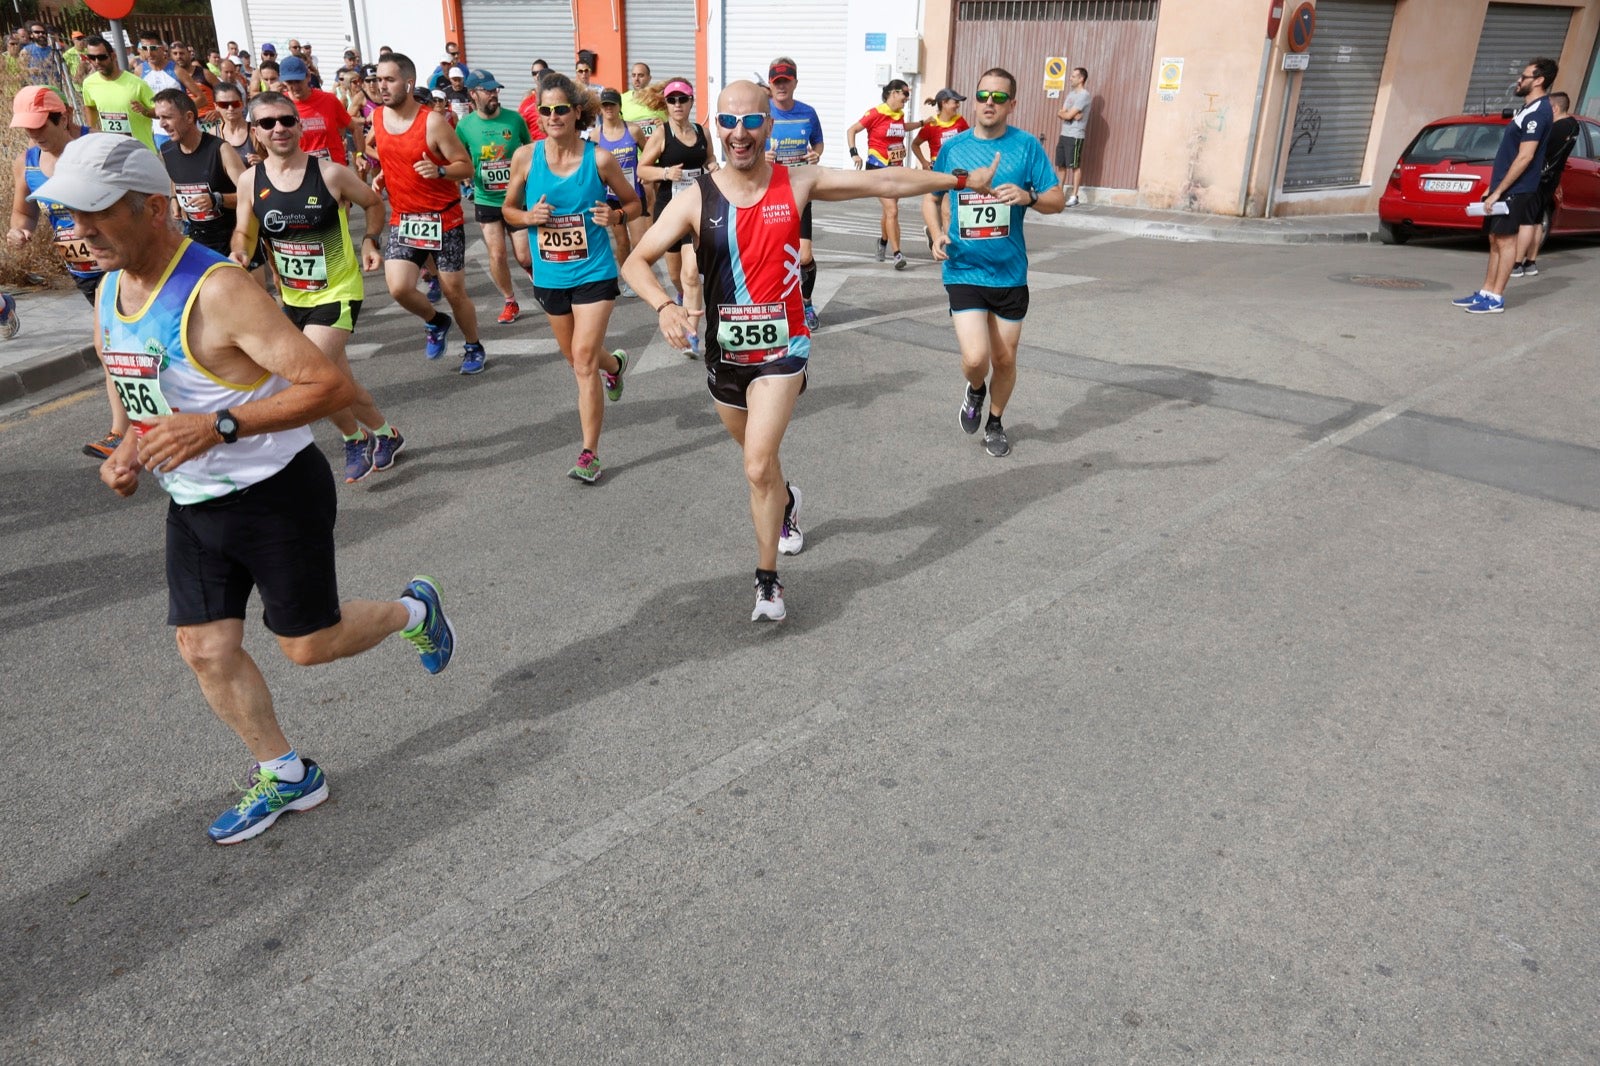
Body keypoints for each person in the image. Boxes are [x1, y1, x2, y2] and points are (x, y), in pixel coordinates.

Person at [32, 133, 455, 845]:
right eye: (69, 215)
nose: (79, 231)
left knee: (308, 647)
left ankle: (414, 610)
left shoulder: (221, 290)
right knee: (202, 647)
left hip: (274, 492)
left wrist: (218, 426)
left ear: (154, 207)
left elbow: (329, 385)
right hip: (192, 502)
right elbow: (141, 388)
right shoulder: (108, 287)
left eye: (96, 213)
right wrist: (130, 449)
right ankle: (288, 775)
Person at [623, 80, 997, 621]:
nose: (740, 132)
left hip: (783, 349)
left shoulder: (797, 182)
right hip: (724, 355)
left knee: (755, 465)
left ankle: (767, 581)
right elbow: (636, 260)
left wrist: (959, 178)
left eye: (751, 121)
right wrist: (664, 306)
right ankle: (789, 501)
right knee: (763, 463)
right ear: (716, 128)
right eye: (728, 122)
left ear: (767, 126)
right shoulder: (694, 200)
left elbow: (882, 180)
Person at [232, 91, 405, 483]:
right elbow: (244, 230)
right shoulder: (249, 181)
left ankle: (352, 437)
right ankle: (383, 433)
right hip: (293, 296)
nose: (279, 128)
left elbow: (373, 203)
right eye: (267, 123)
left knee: (307, 373)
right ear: (255, 132)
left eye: (287, 120)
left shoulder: (330, 174)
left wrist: (369, 240)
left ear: (299, 125)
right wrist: (240, 253)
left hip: (338, 292)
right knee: (336, 380)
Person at [502, 73, 639, 483]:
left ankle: (589, 453)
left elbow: (633, 203)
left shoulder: (599, 159)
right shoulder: (526, 158)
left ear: (577, 112)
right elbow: (507, 210)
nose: (553, 116)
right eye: (545, 110)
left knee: (581, 361)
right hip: (550, 275)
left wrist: (614, 216)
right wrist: (528, 217)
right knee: (577, 357)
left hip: (594, 271)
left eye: (561, 109)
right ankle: (613, 364)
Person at [923, 68, 1063, 459]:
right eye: (983, 95)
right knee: (975, 359)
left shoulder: (1026, 148)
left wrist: (1028, 196)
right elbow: (930, 197)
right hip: (964, 268)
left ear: (1012, 104)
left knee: (1004, 359)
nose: (989, 102)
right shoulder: (955, 148)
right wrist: (936, 233)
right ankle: (975, 389)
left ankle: (995, 422)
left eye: (999, 98)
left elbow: (1057, 199)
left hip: (1010, 273)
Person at [7, 85, 124, 459]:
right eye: (27, 127)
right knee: (126, 346)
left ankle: (120, 433)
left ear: (65, 116)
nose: (34, 134)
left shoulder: (101, 147)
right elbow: (24, 211)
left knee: (109, 348)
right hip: (82, 272)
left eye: (41, 124)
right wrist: (20, 230)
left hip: (120, 264)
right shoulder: (26, 162)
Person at [370, 52, 487, 371]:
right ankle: (435, 322)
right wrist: (384, 173)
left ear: (408, 83)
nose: (382, 86)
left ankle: (473, 345)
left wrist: (439, 172)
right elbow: (386, 151)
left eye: (389, 79)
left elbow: (465, 165)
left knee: (453, 291)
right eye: (379, 79)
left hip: (443, 218)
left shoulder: (432, 122)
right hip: (404, 217)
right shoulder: (378, 117)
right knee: (398, 287)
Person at [1451, 56, 1557, 315]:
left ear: (1539, 80)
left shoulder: (1539, 112)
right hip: (1504, 187)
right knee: (1495, 239)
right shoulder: (1526, 111)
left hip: (1517, 189)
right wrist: (1492, 186)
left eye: (1524, 77)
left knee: (1506, 241)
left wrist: (1499, 191)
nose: (1518, 81)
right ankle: (1486, 291)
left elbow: (1525, 156)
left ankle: (1496, 297)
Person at [637, 77, 717, 357]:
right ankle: (682, 298)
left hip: (696, 208)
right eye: (672, 100)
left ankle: (693, 332)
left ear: (691, 101)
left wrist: (715, 167)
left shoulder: (701, 131)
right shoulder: (661, 135)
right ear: (666, 104)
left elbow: (708, 159)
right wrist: (665, 173)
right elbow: (642, 170)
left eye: (683, 99)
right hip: (669, 209)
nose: (678, 104)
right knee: (675, 274)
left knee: (691, 273)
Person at [455, 68, 532, 324]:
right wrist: (464, 176)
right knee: (497, 254)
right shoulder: (464, 126)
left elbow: (530, 150)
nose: (493, 95)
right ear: (473, 94)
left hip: (515, 198)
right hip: (486, 199)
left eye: (495, 89)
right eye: (487, 90)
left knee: (523, 256)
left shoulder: (514, 119)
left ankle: (540, 281)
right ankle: (510, 301)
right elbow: (458, 157)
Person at [764, 59, 826, 331]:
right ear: (770, 84)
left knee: (803, 256)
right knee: (772, 255)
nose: (781, 86)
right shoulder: (761, 113)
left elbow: (818, 142)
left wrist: (816, 154)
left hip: (800, 192)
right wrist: (760, 158)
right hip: (769, 193)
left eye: (786, 81)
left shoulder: (808, 113)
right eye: (777, 82)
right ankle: (773, 307)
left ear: (795, 83)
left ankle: (807, 302)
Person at [154, 89, 244, 258]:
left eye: (167, 117)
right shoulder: (167, 151)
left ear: (189, 117)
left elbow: (250, 195)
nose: (161, 124)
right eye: (159, 117)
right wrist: (174, 199)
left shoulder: (220, 149)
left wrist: (217, 199)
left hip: (233, 242)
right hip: (197, 240)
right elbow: (176, 177)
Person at [846, 78, 922, 269]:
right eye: (905, 94)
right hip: (878, 168)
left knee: (889, 211)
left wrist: (922, 123)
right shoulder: (876, 113)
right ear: (893, 92)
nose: (907, 98)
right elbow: (852, 130)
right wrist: (855, 154)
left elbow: (902, 128)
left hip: (896, 168)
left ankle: (882, 242)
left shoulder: (899, 115)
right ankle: (897, 254)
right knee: (892, 210)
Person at [1514, 90, 1579, 278]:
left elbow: (1532, 152)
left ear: (1555, 108)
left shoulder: (1555, 128)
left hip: (1537, 177)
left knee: (1526, 220)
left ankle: (1516, 264)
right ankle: (1531, 262)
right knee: (1536, 220)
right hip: (1552, 178)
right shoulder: (1573, 126)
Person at [595, 87, 646, 297]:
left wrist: (644, 168)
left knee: (639, 241)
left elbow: (649, 152)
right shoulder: (595, 135)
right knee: (622, 241)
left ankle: (639, 274)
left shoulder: (632, 130)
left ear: (619, 107)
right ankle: (628, 278)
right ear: (600, 108)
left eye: (612, 105)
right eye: (605, 105)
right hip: (610, 197)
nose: (608, 108)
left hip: (633, 194)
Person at [79, 35, 158, 151]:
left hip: (141, 151)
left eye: (102, 57)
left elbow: (159, 111)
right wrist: (92, 132)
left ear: (113, 56)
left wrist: (145, 111)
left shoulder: (137, 84)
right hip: (113, 151)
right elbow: (90, 107)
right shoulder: (89, 83)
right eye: (92, 57)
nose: (97, 62)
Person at [278, 54, 351, 164]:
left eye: (298, 81)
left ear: (308, 76)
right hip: (301, 170)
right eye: (290, 82)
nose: (295, 86)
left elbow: (353, 128)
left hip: (333, 169)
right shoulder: (280, 105)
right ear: (283, 82)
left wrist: (359, 154)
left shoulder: (329, 99)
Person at [1054, 67, 1090, 207]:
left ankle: (1074, 196)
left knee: (1074, 166)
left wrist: (1068, 114)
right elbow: (1061, 113)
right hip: (1064, 134)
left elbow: (1066, 115)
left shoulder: (1084, 95)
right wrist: (1070, 114)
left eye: (1074, 76)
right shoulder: (1070, 95)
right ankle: (1059, 194)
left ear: (1081, 79)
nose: (1071, 78)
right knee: (1061, 165)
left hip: (1075, 135)